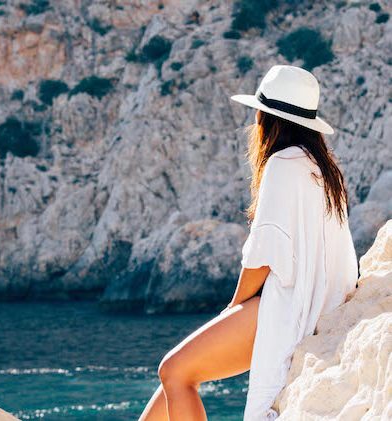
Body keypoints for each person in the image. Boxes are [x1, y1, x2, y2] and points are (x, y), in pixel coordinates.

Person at [138, 65, 358, 421]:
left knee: (174, 371)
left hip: (285, 308)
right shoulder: (324, 170)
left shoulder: (282, 164)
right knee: (174, 377)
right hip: (317, 306)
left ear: (267, 118)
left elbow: (264, 254)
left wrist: (232, 306)